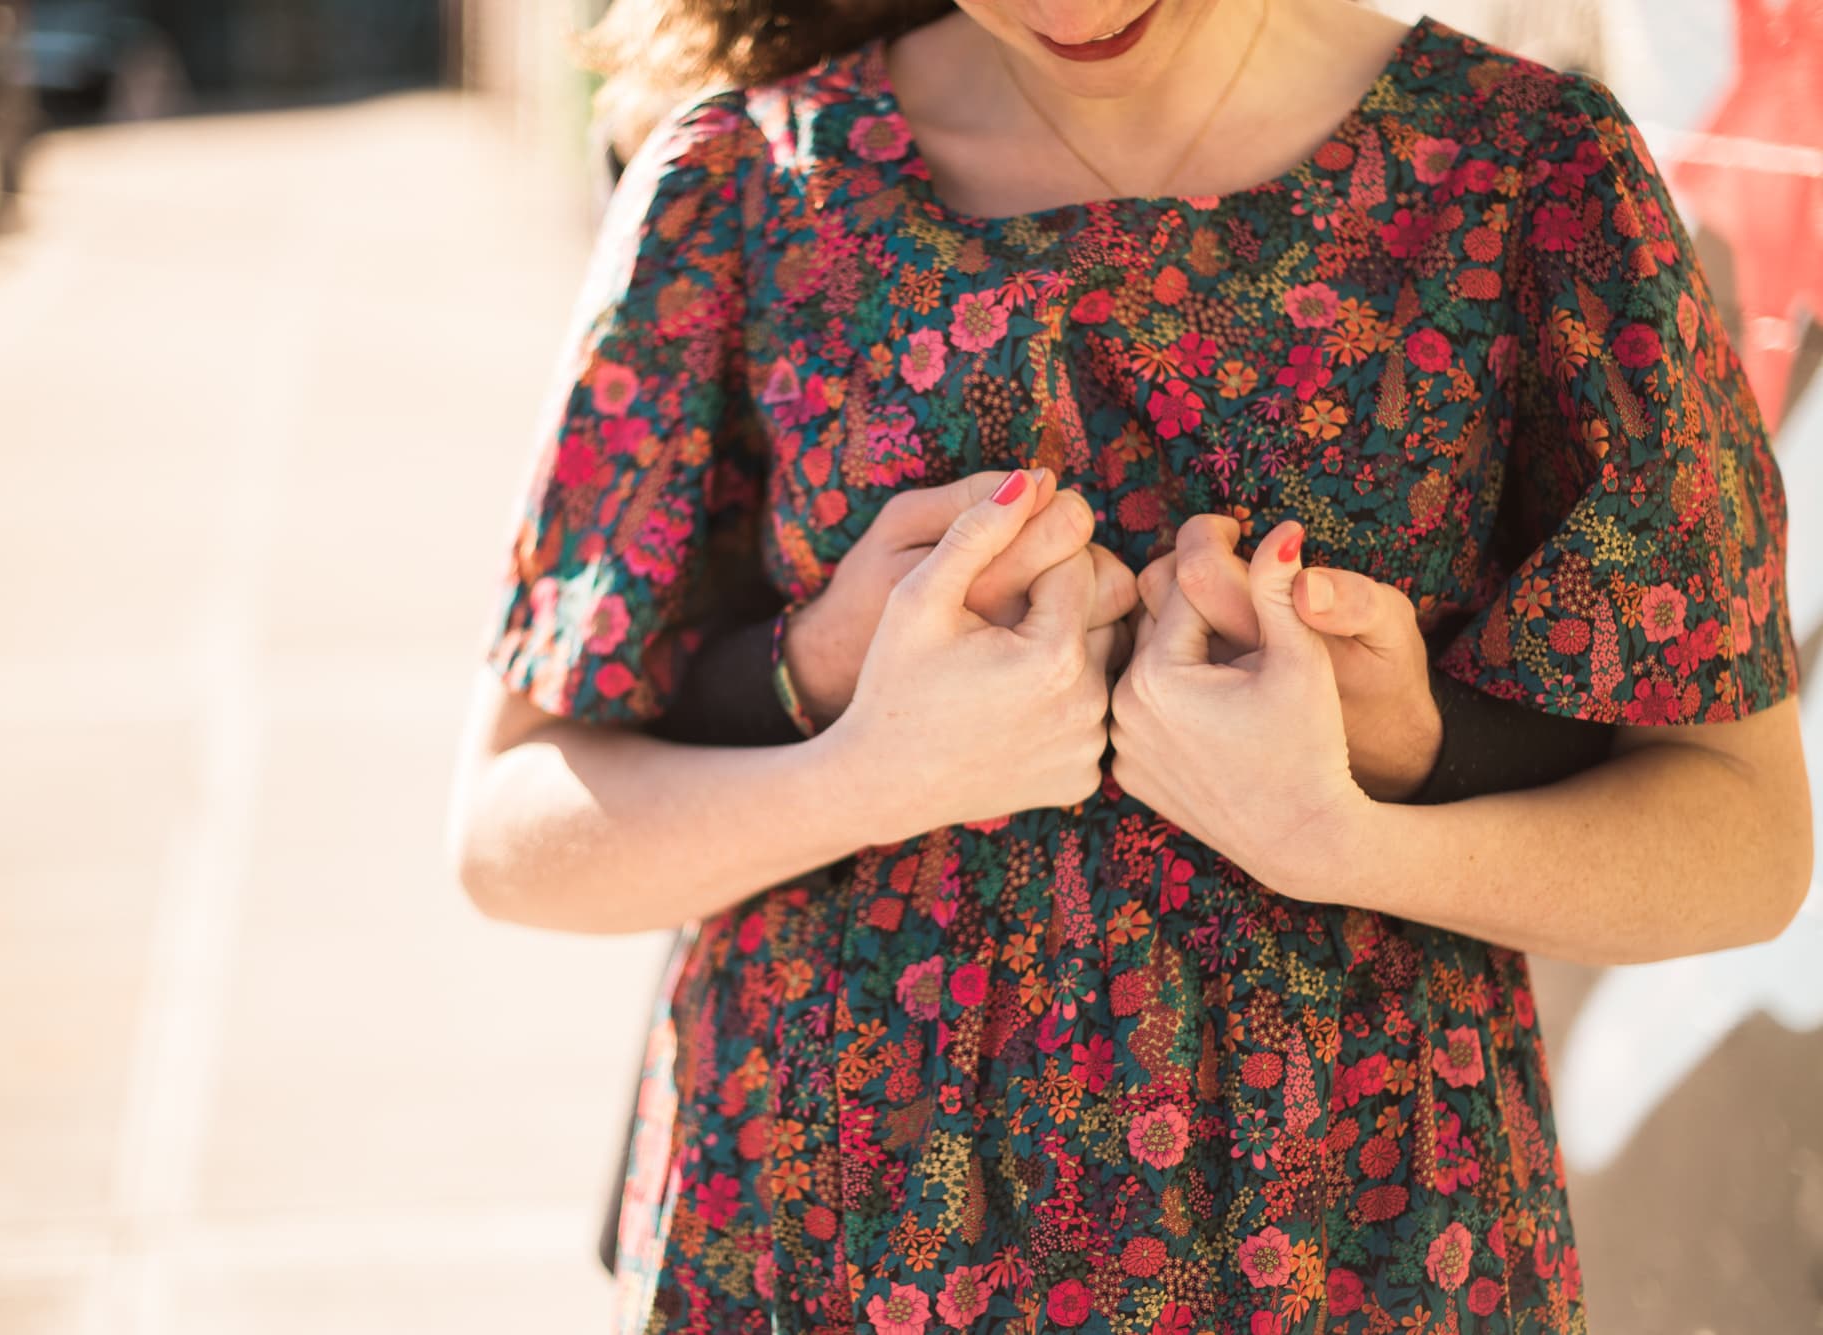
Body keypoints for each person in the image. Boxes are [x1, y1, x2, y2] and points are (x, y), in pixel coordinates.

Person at [446, 1, 1812, 1330]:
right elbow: (510, 827)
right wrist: (855, 753)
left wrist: (1359, 818)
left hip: (1362, 1252)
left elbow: (1744, 838)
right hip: (818, 1246)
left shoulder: (1534, 173)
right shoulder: (741, 182)